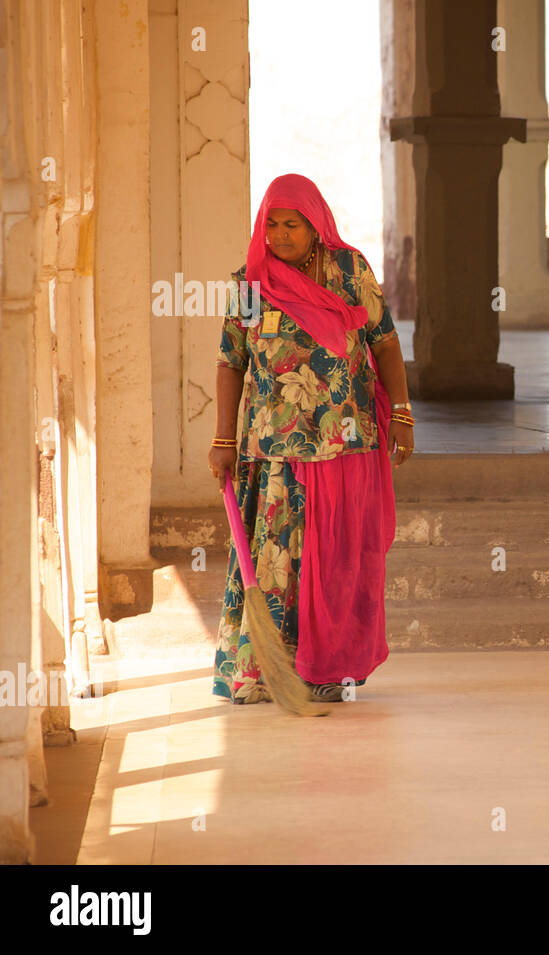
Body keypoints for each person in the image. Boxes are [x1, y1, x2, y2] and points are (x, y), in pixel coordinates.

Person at [208, 173, 416, 704]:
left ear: (315, 224)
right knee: (275, 560)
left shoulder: (349, 273)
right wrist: (224, 440)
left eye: (292, 224)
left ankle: (331, 668)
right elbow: (232, 363)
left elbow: (385, 343)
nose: (280, 234)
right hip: (274, 449)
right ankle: (265, 667)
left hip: (344, 445)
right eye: (272, 224)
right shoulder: (251, 284)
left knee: (337, 559)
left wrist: (404, 413)